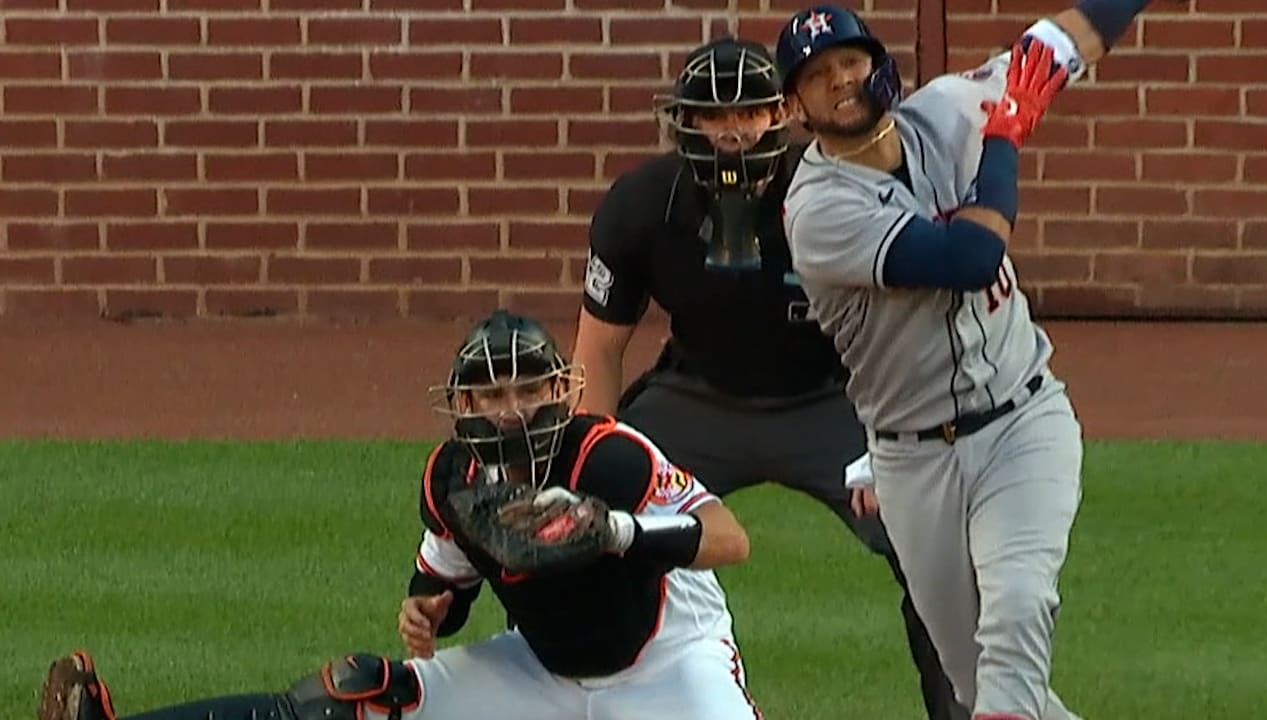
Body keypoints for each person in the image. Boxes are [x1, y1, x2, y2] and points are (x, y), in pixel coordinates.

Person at [37, 309, 764, 720]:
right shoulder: (452, 480)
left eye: (528, 390)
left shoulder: (608, 457)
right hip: (543, 669)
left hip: (667, 661)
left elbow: (731, 541)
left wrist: (613, 531)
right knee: (351, 697)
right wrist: (427, 613)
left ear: (558, 390)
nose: (512, 410)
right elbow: (442, 592)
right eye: (491, 395)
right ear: (465, 406)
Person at [775, 3, 1164, 718]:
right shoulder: (818, 211)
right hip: (913, 460)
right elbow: (969, 257)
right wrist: (1007, 137)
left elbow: (1056, 44)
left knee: (1016, 614)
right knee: (985, 691)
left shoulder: (950, 107)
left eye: (850, 62)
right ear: (794, 106)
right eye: (818, 76)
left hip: (1023, 419)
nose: (840, 81)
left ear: (879, 64)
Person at [571, 35, 964, 720]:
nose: (732, 133)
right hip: (700, 398)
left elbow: (908, 329)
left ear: (781, 114)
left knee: (938, 549)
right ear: (684, 123)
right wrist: (584, 467)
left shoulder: (832, 193)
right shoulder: (640, 206)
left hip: (835, 399)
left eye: (749, 113)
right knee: (581, 540)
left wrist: (896, 439)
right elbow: (598, 350)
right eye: (713, 117)